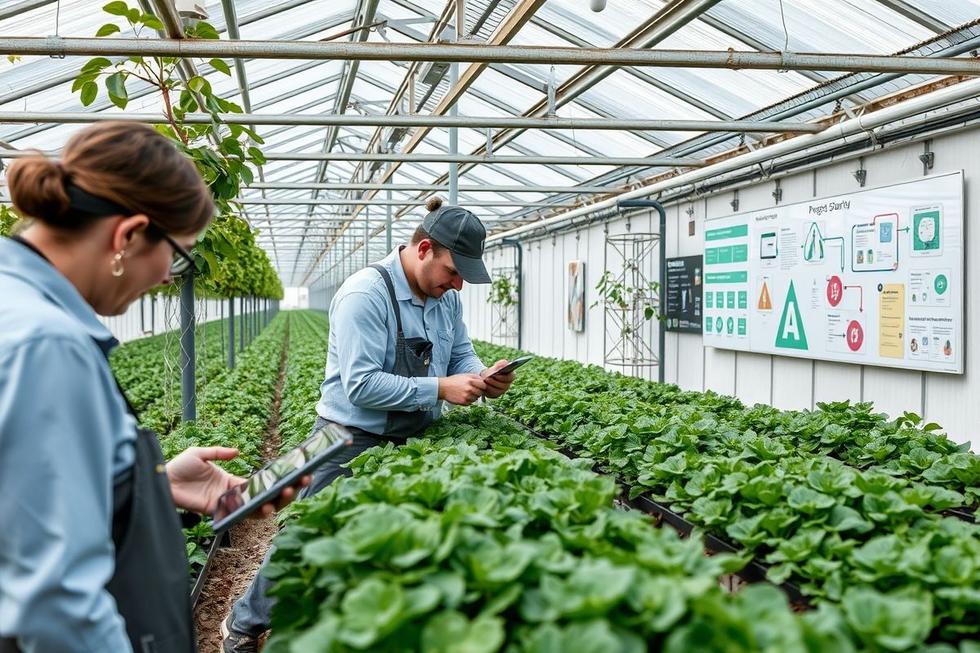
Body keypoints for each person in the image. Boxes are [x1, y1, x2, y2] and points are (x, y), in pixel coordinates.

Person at [0, 122, 304, 653]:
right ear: (128, 236)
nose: (169, 277)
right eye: (178, 255)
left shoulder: (20, 311)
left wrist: (150, 486)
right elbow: (55, 601)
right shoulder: (46, 345)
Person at [222, 196, 516, 651]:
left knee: (400, 539)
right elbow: (360, 386)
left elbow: (460, 353)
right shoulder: (365, 294)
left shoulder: (446, 300)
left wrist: (482, 376)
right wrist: (440, 388)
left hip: (416, 436)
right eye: (453, 271)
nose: (458, 284)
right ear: (424, 250)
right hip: (344, 435)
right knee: (305, 533)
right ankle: (244, 623)